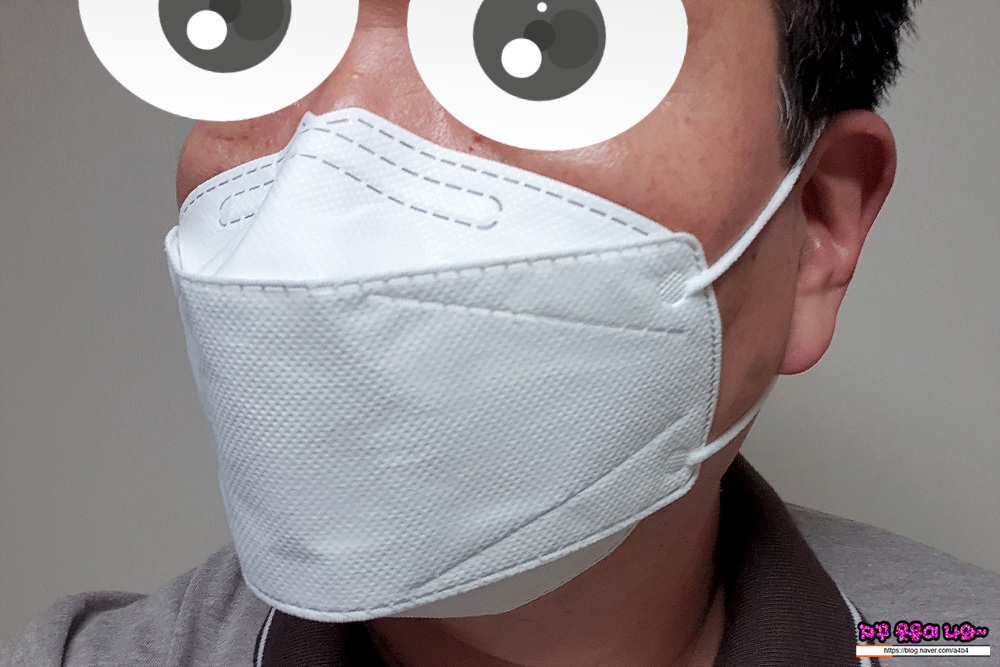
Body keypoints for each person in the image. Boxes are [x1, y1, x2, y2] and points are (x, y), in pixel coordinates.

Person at [3, 1, 998, 666]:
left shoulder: (951, 641)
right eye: (257, 22)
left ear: (816, 228)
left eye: (549, 33)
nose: (331, 164)